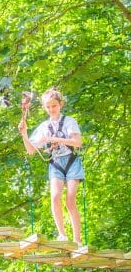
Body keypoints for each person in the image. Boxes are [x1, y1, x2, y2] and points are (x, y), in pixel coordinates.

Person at [18, 88, 84, 243]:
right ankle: (62, 234)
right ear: (44, 107)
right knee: (55, 197)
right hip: (55, 163)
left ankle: (77, 239)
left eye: (54, 106)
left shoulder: (69, 122)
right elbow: (31, 150)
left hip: (71, 161)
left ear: (60, 104)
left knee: (70, 200)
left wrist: (55, 139)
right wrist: (24, 134)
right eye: (48, 107)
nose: (51, 109)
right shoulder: (43, 127)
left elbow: (78, 142)